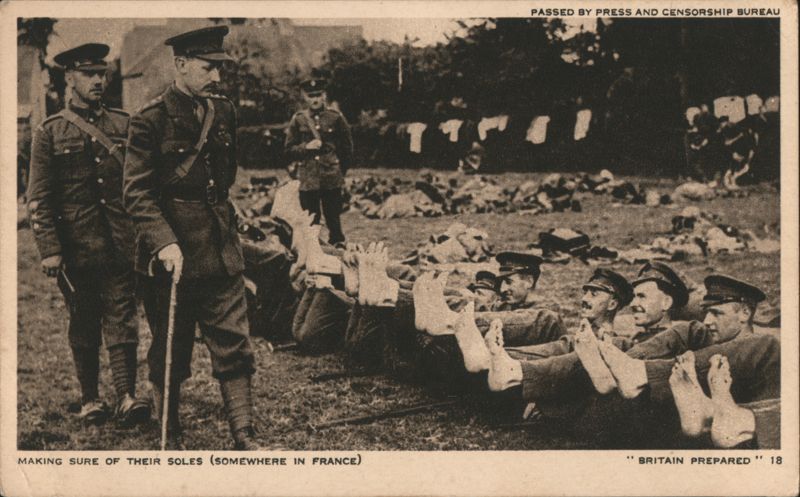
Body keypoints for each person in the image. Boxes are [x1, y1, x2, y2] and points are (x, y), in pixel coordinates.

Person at [123, 26, 260, 450]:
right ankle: (171, 429)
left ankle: (244, 433)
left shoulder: (224, 112)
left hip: (219, 246)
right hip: (172, 252)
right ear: (180, 65)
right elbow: (136, 193)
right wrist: (163, 241)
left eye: (219, 68)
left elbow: (226, 176)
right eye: (208, 68)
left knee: (234, 339)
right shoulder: (150, 120)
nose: (217, 77)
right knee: (172, 343)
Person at [26, 43, 149, 427]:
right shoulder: (50, 132)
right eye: (88, 74)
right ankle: (91, 398)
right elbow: (39, 198)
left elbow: (140, 184)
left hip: (120, 240)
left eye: (101, 73)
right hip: (76, 248)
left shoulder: (123, 124)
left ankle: (126, 395)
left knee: (122, 315)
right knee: (84, 319)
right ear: (70, 79)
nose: (98, 80)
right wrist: (49, 249)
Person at [284, 75, 354, 246]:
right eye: (310, 96)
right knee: (310, 219)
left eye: (318, 95)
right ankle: (314, 250)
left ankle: (338, 247)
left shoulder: (335, 117)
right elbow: (288, 151)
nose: (314, 100)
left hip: (330, 175)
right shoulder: (299, 119)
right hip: (308, 178)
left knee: (333, 218)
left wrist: (339, 172)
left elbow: (347, 149)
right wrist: (305, 147)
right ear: (304, 97)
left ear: (324, 96)